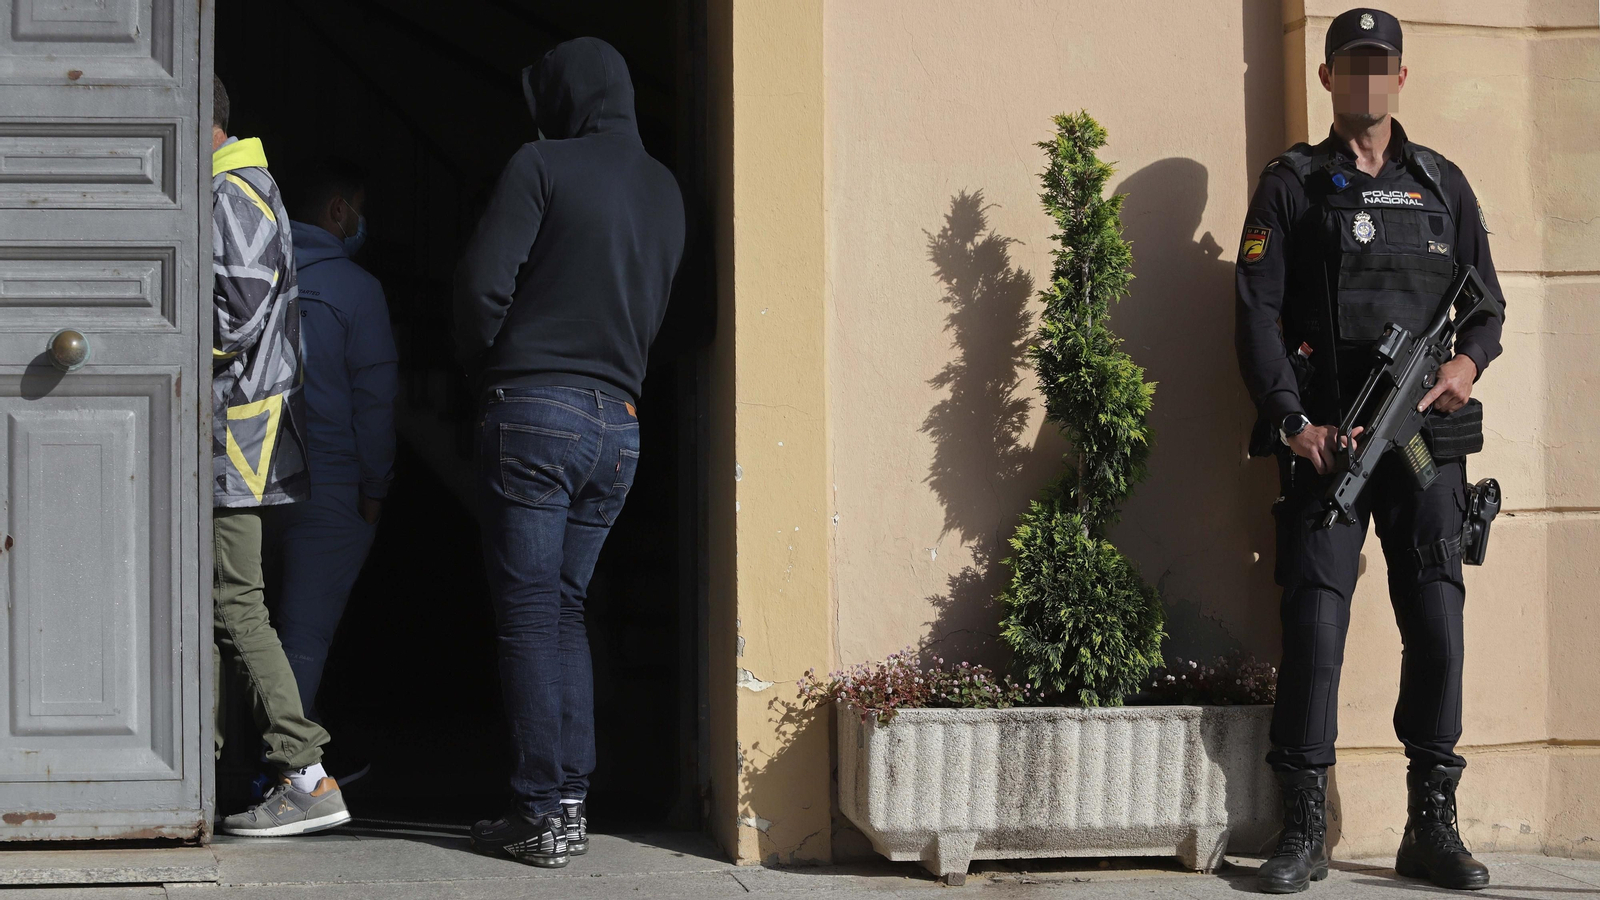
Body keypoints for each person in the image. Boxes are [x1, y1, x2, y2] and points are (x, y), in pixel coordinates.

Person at [1235, 9, 1504, 894]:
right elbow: (1256, 315)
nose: (1365, 80)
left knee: (1437, 620)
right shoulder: (1293, 186)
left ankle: (1432, 824)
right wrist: (1291, 422)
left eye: (1378, 65)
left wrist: (1464, 364)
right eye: (1348, 66)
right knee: (1315, 623)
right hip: (1331, 443)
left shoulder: (1443, 184)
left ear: (1399, 77)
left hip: (1428, 450)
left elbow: (1486, 308)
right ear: (1326, 81)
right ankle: (1303, 829)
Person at [452, 38, 685, 868]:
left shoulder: (539, 164)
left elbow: (484, 284)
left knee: (526, 616)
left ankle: (537, 808)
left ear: (564, 97)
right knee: (564, 610)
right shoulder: (665, 190)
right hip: (619, 423)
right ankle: (570, 804)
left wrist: (490, 369)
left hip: (534, 409)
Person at [209, 76, 351, 836]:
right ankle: (208, 772)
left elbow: (231, 315)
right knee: (217, 608)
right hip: (232, 433)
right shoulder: (239, 189)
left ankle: (305, 773)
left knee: (235, 605)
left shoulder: (235, 192)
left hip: (236, 435)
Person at [270, 158, 398, 750]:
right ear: (338, 211)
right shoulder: (357, 289)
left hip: (249, 473)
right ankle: (283, 774)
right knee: (303, 636)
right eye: (361, 210)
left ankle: (229, 766)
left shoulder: (255, 265)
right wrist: (375, 489)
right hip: (329, 482)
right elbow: (374, 402)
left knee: (244, 627)